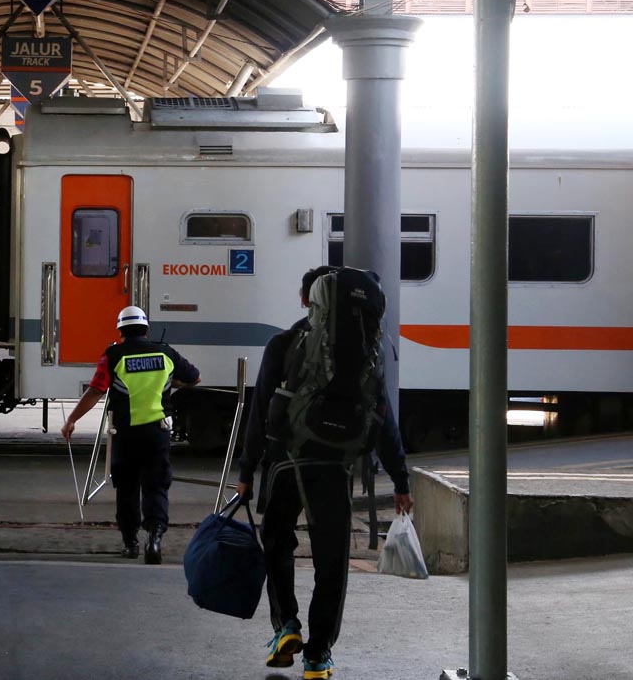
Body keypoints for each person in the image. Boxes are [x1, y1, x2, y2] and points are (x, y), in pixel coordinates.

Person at [236, 267, 413, 680]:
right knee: (331, 561)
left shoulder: (282, 344)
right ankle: (318, 656)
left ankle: (285, 627)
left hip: (284, 462)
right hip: (334, 466)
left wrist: (246, 471)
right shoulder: (365, 352)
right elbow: (385, 423)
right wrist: (401, 480)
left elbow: (259, 410)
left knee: (277, 544)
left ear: (307, 301)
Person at [63, 306, 200, 563]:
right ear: (146, 329)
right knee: (155, 485)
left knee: (126, 488)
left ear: (120, 330)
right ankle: (155, 538)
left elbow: (95, 391)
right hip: (158, 432)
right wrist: (176, 383)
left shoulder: (113, 355)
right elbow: (195, 377)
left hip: (125, 433)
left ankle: (130, 543)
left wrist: (72, 420)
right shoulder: (165, 352)